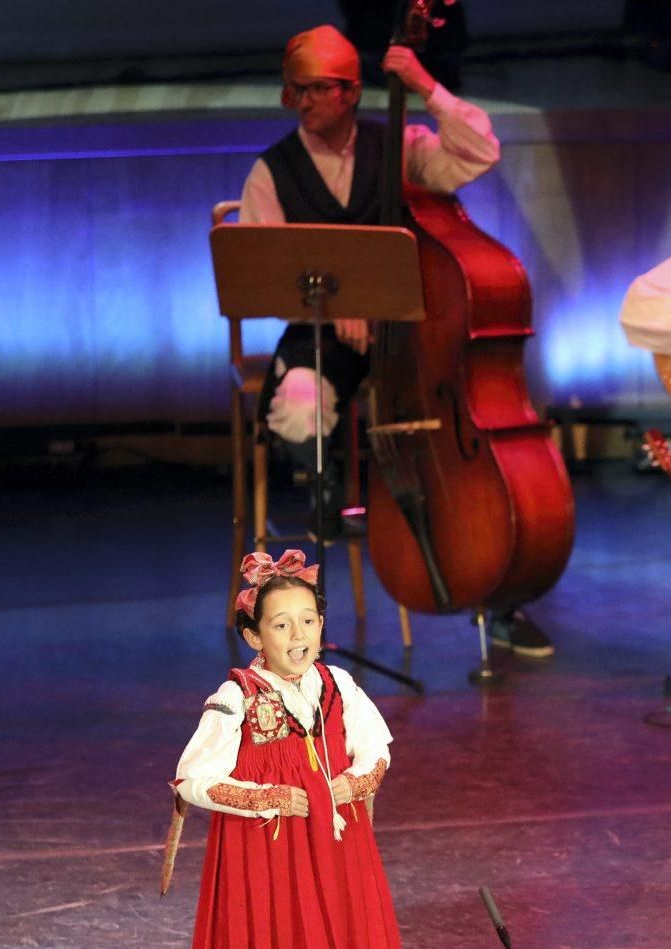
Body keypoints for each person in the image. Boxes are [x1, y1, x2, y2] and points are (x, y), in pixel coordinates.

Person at [239, 24, 554, 659]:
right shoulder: (272, 171)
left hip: (412, 346)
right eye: (295, 90)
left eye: (317, 89)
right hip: (323, 338)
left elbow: (478, 153)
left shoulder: (400, 146)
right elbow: (261, 280)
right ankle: (325, 504)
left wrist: (425, 87)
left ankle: (497, 591)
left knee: (465, 448)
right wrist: (335, 310)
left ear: (352, 93)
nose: (303, 101)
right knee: (300, 403)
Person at [170, 548, 412, 949]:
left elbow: (376, 746)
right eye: (281, 624)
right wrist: (270, 797)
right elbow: (192, 778)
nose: (297, 635)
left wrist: (356, 783)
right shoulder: (237, 698)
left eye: (308, 620)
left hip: (336, 856)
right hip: (268, 863)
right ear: (253, 635)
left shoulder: (338, 685)